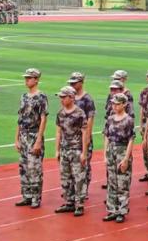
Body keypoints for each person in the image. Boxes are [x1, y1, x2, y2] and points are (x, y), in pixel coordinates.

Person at [15, 68, 48, 209]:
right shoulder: (23, 96)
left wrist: (39, 140)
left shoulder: (41, 97)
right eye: (26, 78)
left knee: (34, 168)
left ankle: (35, 197)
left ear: (36, 79)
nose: (26, 80)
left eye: (29, 78)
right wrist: (16, 138)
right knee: (23, 167)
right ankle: (27, 196)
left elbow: (43, 118)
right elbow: (20, 118)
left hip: (34, 135)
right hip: (23, 135)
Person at [54, 86, 88, 217]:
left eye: (63, 97)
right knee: (65, 177)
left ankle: (79, 204)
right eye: (61, 97)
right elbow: (58, 132)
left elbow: (85, 133)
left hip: (76, 150)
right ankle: (69, 202)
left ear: (71, 97)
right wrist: (57, 150)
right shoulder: (60, 113)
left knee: (78, 178)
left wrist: (84, 152)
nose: (61, 99)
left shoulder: (79, 113)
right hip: (64, 149)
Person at [103, 93, 135, 223]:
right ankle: (112, 210)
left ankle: (121, 210)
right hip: (111, 151)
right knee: (112, 182)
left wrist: (126, 158)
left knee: (122, 182)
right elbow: (106, 135)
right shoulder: (110, 119)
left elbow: (131, 140)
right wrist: (105, 153)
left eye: (117, 104)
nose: (114, 106)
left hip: (122, 151)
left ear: (124, 104)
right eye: (113, 103)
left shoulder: (128, 120)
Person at [68, 72, 96, 198]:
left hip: (83, 136)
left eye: (75, 83)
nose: (72, 85)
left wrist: (88, 137)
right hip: (71, 138)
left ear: (81, 82)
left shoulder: (87, 99)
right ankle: (74, 191)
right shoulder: (71, 98)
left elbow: (90, 119)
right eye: (71, 83)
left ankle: (83, 190)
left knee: (84, 164)